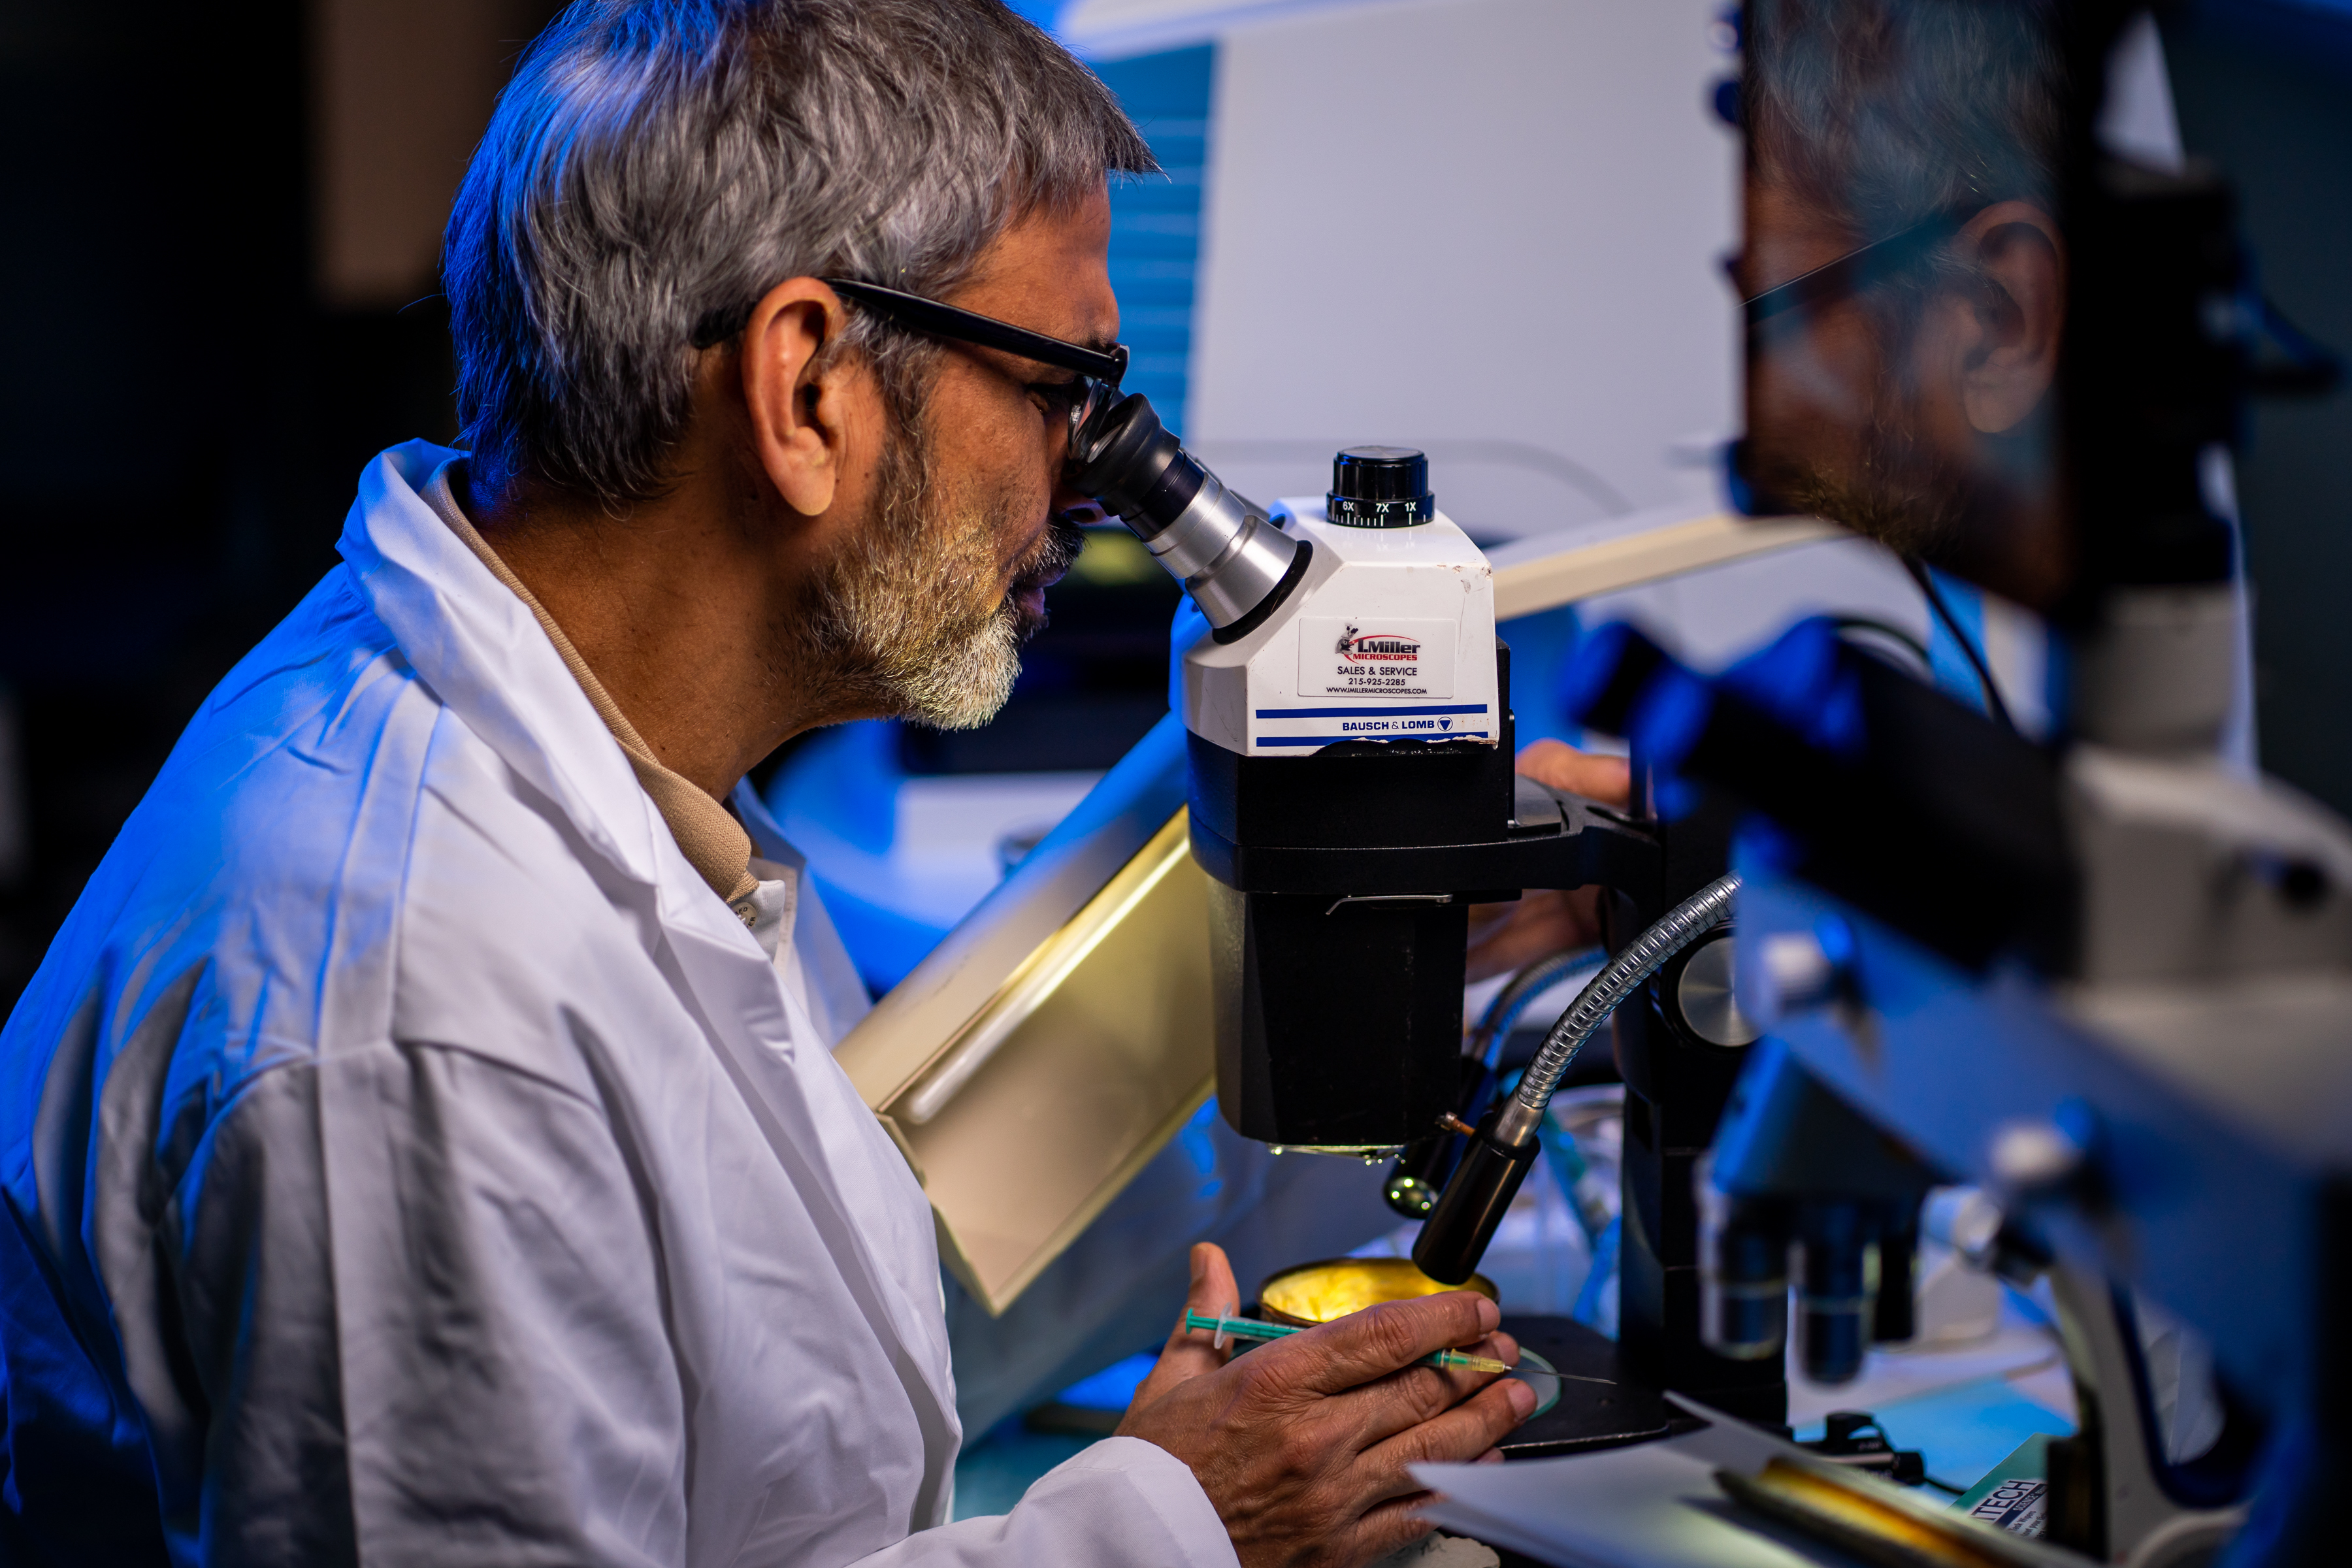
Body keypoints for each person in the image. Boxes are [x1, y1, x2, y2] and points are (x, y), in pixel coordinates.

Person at [0, 4, 1543, 1565]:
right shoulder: (421, 1011)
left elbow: (845, 1361)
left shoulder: (614, 765)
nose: (1086, 474)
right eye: (1058, 383)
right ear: (808, 389)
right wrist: (1159, 1532)